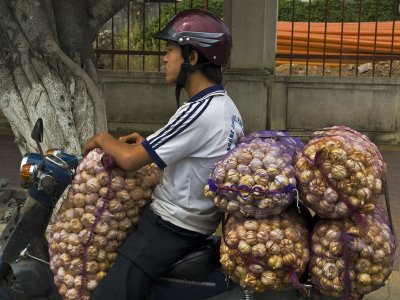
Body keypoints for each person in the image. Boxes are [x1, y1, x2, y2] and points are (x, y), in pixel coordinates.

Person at [85, 9, 244, 300]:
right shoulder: (226, 107)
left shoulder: (200, 111)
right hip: (190, 225)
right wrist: (146, 143)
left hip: (170, 227)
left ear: (192, 58)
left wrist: (101, 138)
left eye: (170, 50)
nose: (165, 58)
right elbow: (194, 155)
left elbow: (131, 159)